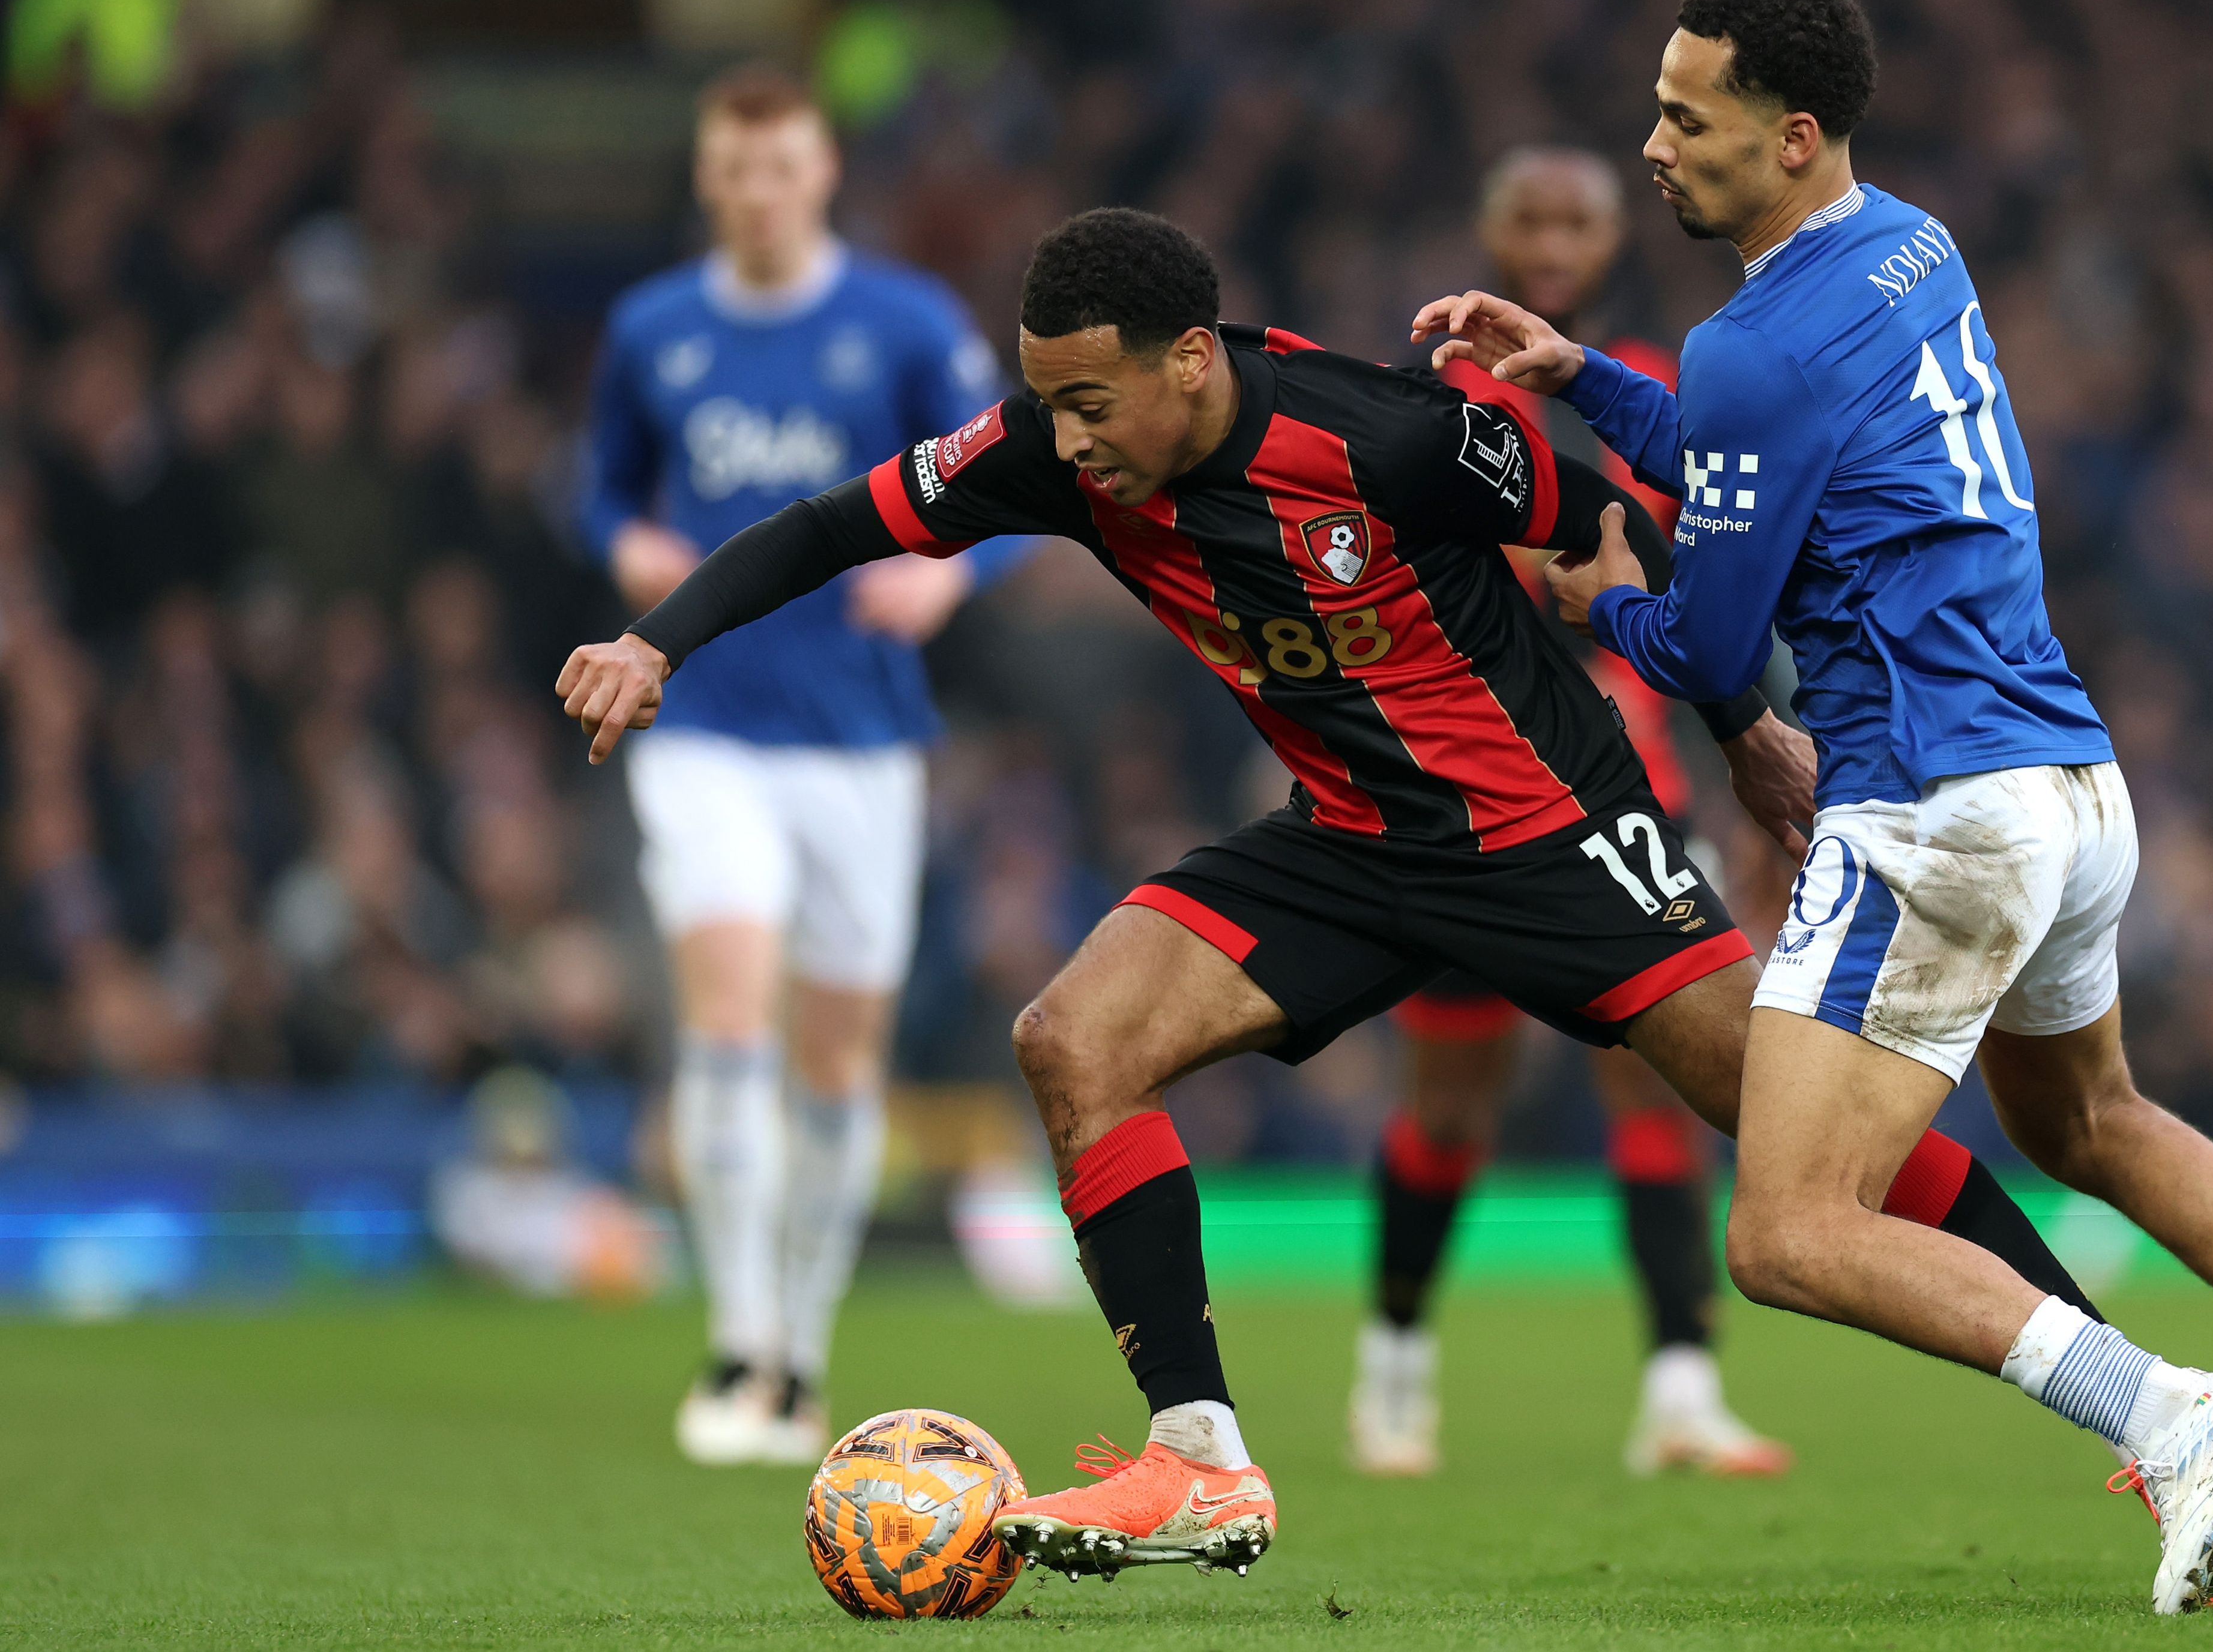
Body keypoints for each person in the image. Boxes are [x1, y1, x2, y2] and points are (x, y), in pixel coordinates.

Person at [557, 207, 2120, 1581]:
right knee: (1073, 1039)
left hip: (1546, 829)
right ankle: (1199, 1455)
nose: (1063, 438)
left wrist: (1741, 730)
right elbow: (831, 523)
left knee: (1807, 1142)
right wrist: (654, 641)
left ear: (1189, 362)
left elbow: (1600, 522)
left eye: (1088, 401)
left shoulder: (1388, 434)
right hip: (1351, 843)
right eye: (1046, 402)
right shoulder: (1050, 450)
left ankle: (2136, 1400)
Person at [1418, 0, 2213, 1614]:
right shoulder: (1914, 244)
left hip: (1926, 807)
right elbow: (1761, 450)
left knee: (1785, 1230)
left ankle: (2167, 1407)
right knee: (2087, 1118)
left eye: (1687, 118)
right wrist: (1583, 377)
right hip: (2069, 780)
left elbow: (1710, 642)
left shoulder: (1745, 341)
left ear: (1791, 136)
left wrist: (1600, 601)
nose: (1653, 147)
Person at [576, 64, 1033, 1466]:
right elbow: (601, 482)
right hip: (704, 725)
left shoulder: (905, 320)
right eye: (734, 170)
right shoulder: (652, 328)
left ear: (822, 172)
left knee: (838, 1061)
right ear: (706, 179)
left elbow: (1017, 478)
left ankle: (802, 1348)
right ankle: (740, 1345)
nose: (757, 193)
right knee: (727, 1016)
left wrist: (948, 578)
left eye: (779, 167)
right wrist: (627, 545)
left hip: (861, 736)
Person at [1350, 145, 1783, 1482]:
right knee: (1452, 1103)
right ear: (1488, 234)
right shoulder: (1426, 400)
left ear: (1613, 239)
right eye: (1527, 221)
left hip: (1632, 790)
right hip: (1472, 788)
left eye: (1576, 223)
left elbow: (1713, 582)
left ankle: (1679, 1388)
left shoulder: (1647, 388)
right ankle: (1394, 1360)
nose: (1550, 245)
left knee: (1662, 1080)